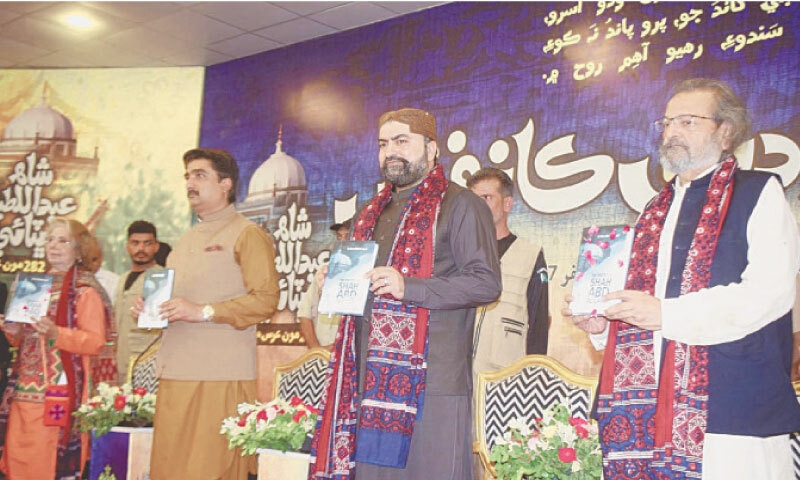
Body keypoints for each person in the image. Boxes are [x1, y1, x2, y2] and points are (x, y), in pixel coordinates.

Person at [564, 78, 800, 479]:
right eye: (668, 122)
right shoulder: (653, 211)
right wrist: (604, 325)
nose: (672, 131)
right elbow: (643, 306)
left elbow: (769, 294)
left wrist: (665, 314)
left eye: (688, 121)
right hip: (650, 411)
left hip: (732, 406)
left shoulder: (758, 192)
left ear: (726, 132)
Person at [310, 108, 501, 480]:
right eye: (383, 144)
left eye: (402, 141)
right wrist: (336, 283)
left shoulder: (462, 204)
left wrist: (407, 287)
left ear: (432, 149)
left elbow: (486, 283)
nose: (390, 152)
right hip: (369, 382)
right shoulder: (370, 211)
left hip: (435, 385)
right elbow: (369, 286)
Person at [135, 148, 279, 480]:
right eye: (187, 175)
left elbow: (265, 300)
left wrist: (204, 312)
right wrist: (154, 311)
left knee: (209, 470)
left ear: (226, 183)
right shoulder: (185, 240)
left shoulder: (247, 233)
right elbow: (180, 306)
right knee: (168, 470)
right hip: (175, 372)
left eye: (200, 175)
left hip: (220, 375)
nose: (190, 182)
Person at [0, 218, 115, 479]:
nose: (53, 246)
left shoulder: (85, 291)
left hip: (58, 394)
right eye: (50, 239)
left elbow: (95, 342)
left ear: (79, 250)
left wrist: (56, 333)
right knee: (19, 460)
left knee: (45, 464)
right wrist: (12, 330)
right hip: (23, 392)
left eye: (63, 240)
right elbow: (23, 340)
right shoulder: (33, 285)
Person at [466, 167, 550, 378]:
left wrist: (533, 377)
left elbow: (538, 323)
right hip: (458, 376)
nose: (478, 206)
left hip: (505, 376)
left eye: (487, 198)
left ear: (507, 204)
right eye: (473, 200)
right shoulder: (457, 253)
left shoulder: (530, 254)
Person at [113, 220, 163, 384]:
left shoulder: (160, 279)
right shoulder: (122, 279)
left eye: (147, 243)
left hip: (145, 361)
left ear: (156, 246)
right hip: (120, 360)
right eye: (135, 243)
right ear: (127, 246)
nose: (141, 249)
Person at [298, 219, 351, 351]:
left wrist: (336, 350)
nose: (342, 241)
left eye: (347, 236)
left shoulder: (366, 276)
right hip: (320, 358)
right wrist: (317, 352)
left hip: (346, 358)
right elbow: (305, 314)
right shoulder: (324, 271)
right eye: (339, 237)